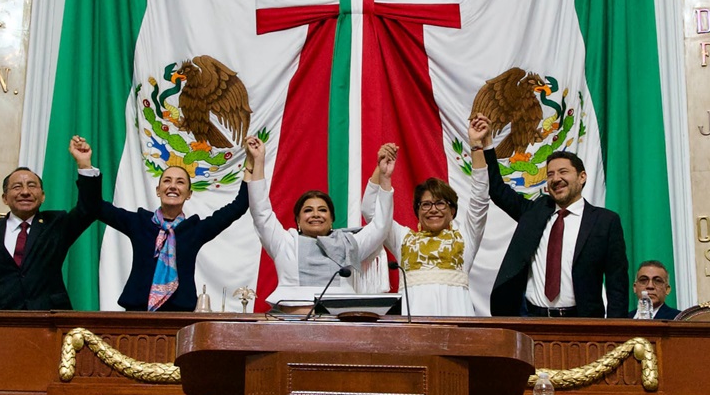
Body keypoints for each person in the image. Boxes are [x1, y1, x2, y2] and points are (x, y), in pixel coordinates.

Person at [485, 134, 629, 318]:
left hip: (583, 322)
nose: (555, 179)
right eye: (550, 174)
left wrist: (617, 333)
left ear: (582, 177)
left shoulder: (605, 222)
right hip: (532, 320)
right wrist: (486, 146)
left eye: (563, 172)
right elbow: (497, 190)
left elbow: (617, 285)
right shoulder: (533, 213)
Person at [360, 114, 490, 316]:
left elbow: (481, 198)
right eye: (426, 204)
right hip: (414, 333)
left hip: (458, 328)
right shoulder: (402, 238)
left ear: (452, 210)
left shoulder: (467, 237)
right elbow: (370, 212)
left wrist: (476, 147)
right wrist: (382, 172)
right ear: (418, 212)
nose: (433, 209)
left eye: (440, 203)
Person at [0, 136, 101, 310]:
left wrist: (84, 164)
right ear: (4, 198)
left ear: (43, 196)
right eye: (17, 187)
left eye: (32, 186)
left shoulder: (57, 224)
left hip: (48, 324)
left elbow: (89, 208)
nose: (25, 192)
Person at [245, 134, 394, 306]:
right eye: (308, 210)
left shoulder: (349, 244)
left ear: (331, 220)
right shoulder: (284, 243)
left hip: (341, 326)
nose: (316, 214)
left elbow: (380, 226)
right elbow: (261, 213)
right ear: (298, 221)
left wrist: (385, 178)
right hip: (291, 326)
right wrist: (258, 161)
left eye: (322, 210)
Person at [91, 161, 249, 311]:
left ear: (189, 194)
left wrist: (251, 165)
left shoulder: (193, 230)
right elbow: (95, 206)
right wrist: (85, 166)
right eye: (167, 181)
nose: (173, 186)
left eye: (180, 182)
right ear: (158, 190)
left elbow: (238, 206)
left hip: (179, 316)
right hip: (137, 314)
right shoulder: (140, 223)